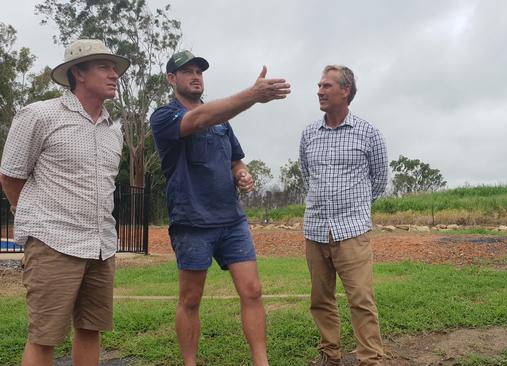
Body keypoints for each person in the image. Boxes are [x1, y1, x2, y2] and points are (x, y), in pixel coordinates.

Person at [149, 50, 290, 366]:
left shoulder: (222, 121)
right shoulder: (164, 117)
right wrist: (253, 95)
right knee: (190, 299)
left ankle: (261, 362)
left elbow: (234, 159)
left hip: (231, 221)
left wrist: (241, 172)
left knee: (252, 291)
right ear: (172, 79)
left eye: (199, 71)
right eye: (187, 71)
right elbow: (199, 119)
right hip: (192, 221)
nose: (196, 76)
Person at [0, 39, 130, 366]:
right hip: (53, 243)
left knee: (90, 329)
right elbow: (11, 176)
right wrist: (36, 218)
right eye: (104, 66)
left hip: (101, 245)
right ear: (78, 73)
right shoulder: (40, 115)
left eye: (114, 67)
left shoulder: (113, 129)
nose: (114, 73)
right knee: (45, 337)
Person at [299, 65, 389, 366]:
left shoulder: (368, 133)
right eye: (319, 85)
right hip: (315, 231)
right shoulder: (309, 134)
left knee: (361, 300)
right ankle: (330, 354)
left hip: (352, 231)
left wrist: (355, 208)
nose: (319, 91)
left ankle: (371, 359)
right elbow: (306, 175)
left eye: (326, 86)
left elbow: (378, 180)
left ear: (345, 90)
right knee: (320, 300)